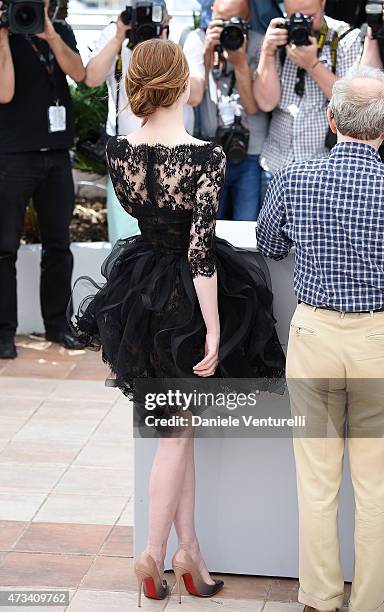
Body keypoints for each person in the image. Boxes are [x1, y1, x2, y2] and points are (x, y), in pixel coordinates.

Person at [70, 39, 285, 606]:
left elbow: (156, 229)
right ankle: (152, 551)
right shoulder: (204, 156)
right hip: (186, 301)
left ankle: (190, 552)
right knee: (176, 431)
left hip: (138, 292)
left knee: (176, 429)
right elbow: (199, 253)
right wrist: (214, 327)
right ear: (181, 80)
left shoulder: (120, 152)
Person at [257, 66, 384, 612]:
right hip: (377, 338)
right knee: (376, 491)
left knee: (317, 484)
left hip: (313, 337)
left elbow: (269, 243)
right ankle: (372, 601)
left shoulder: (297, 177)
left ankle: (320, 599)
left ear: (330, 121)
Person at [0, 0, 85, 359]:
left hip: (56, 154)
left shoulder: (59, 31)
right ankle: (4, 334)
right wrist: (3, 34)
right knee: (4, 250)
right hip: (12, 156)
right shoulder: (4, 35)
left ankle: (58, 325)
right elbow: (4, 92)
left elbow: (79, 73)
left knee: (58, 246)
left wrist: (50, 34)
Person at [85, 0, 205, 245]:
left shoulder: (182, 35)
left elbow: (196, 95)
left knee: (176, 244)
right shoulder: (115, 32)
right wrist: (119, 35)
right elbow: (92, 78)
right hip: (126, 156)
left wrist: (165, 54)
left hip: (179, 157)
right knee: (124, 245)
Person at [253, 0, 362, 176]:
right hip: (275, 166)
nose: (303, 24)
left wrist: (312, 64)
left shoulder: (345, 37)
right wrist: (267, 52)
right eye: (295, 17)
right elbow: (266, 103)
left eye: (310, 17)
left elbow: (350, 106)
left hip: (324, 169)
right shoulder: (278, 34)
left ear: (323, 4)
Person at [201, 0, 269, 220]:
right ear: (211, 14)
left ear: (247, 19)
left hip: (249, 152)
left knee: (246, 228)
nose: (227, 29)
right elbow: (193, 95)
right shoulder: (200, 40)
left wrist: (240, 64)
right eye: (221, 21)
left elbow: (251, 107)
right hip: (210, 151)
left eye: (234, 21)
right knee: (209, 227)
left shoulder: (260, 44)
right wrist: (206, 53)